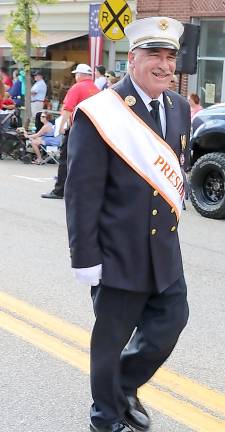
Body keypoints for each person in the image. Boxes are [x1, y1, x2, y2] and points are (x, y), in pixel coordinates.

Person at [65, 16, 191, 432]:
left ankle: (123, 387)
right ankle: (105, 418)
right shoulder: (101, 112)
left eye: (170, 56)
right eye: (155, 54)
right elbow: (81, 193)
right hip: (118, 251)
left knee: (171, 322)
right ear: (132, 59)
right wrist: (86, 258)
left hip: (164, 251)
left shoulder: (176, 108)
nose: (165, 65)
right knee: (110, 340)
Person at [41, 63, 99, 199]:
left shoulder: (77, 87)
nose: (75, 77)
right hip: (93, 130)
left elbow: (68, 108)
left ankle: (59, 190)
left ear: (80, 75)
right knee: (86, 161)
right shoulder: (96, 89)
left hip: (76, 128)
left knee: (65, 159)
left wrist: (61, 127)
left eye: (76, 74)